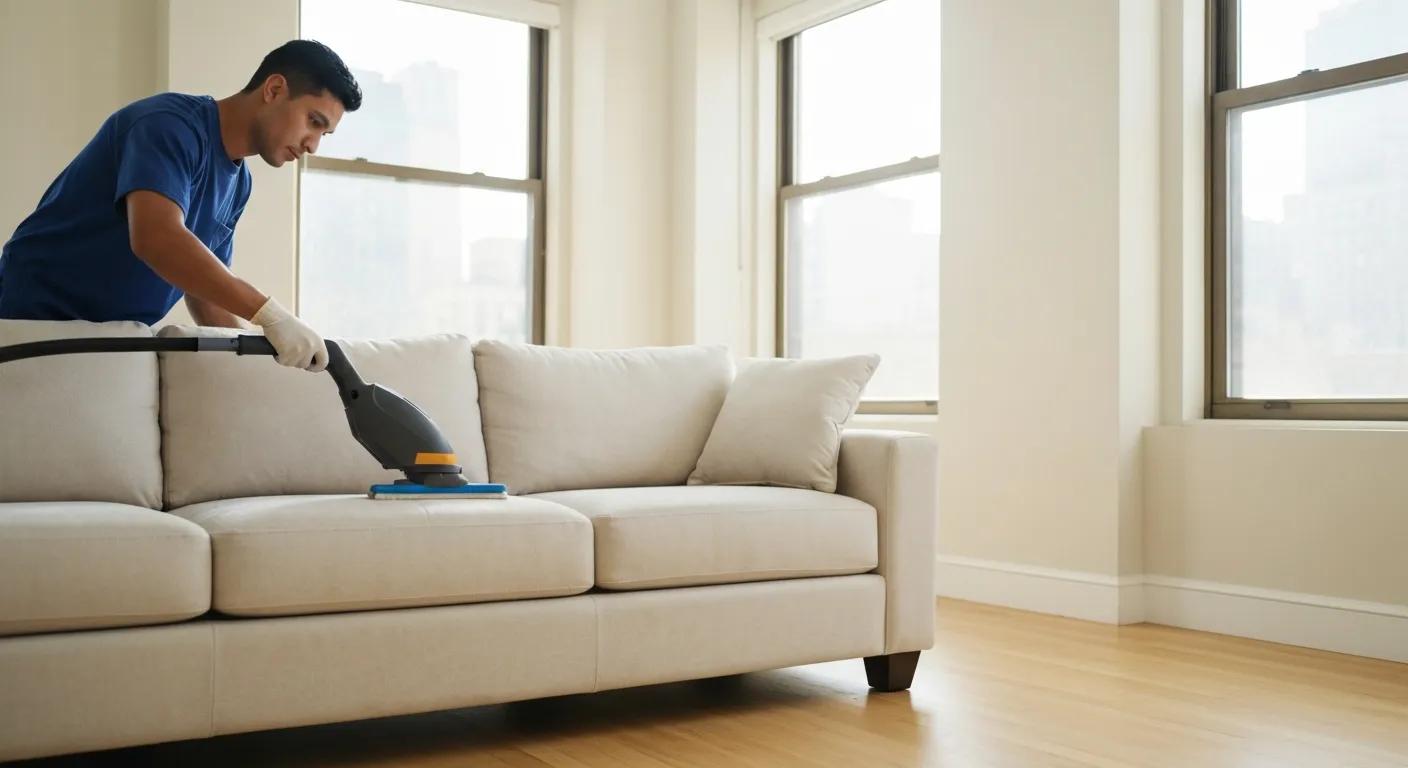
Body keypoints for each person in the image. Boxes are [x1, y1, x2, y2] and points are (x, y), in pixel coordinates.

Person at [0, 40, 361, 372]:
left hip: (108, 345)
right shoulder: (168, 125)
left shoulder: (239, 184)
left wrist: (256, 368)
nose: (313, 145)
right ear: (275, 89)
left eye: (323, 134)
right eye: (314, 122)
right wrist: (271, 314)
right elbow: (157, 238)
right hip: (29, 327)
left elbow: (206, 292)